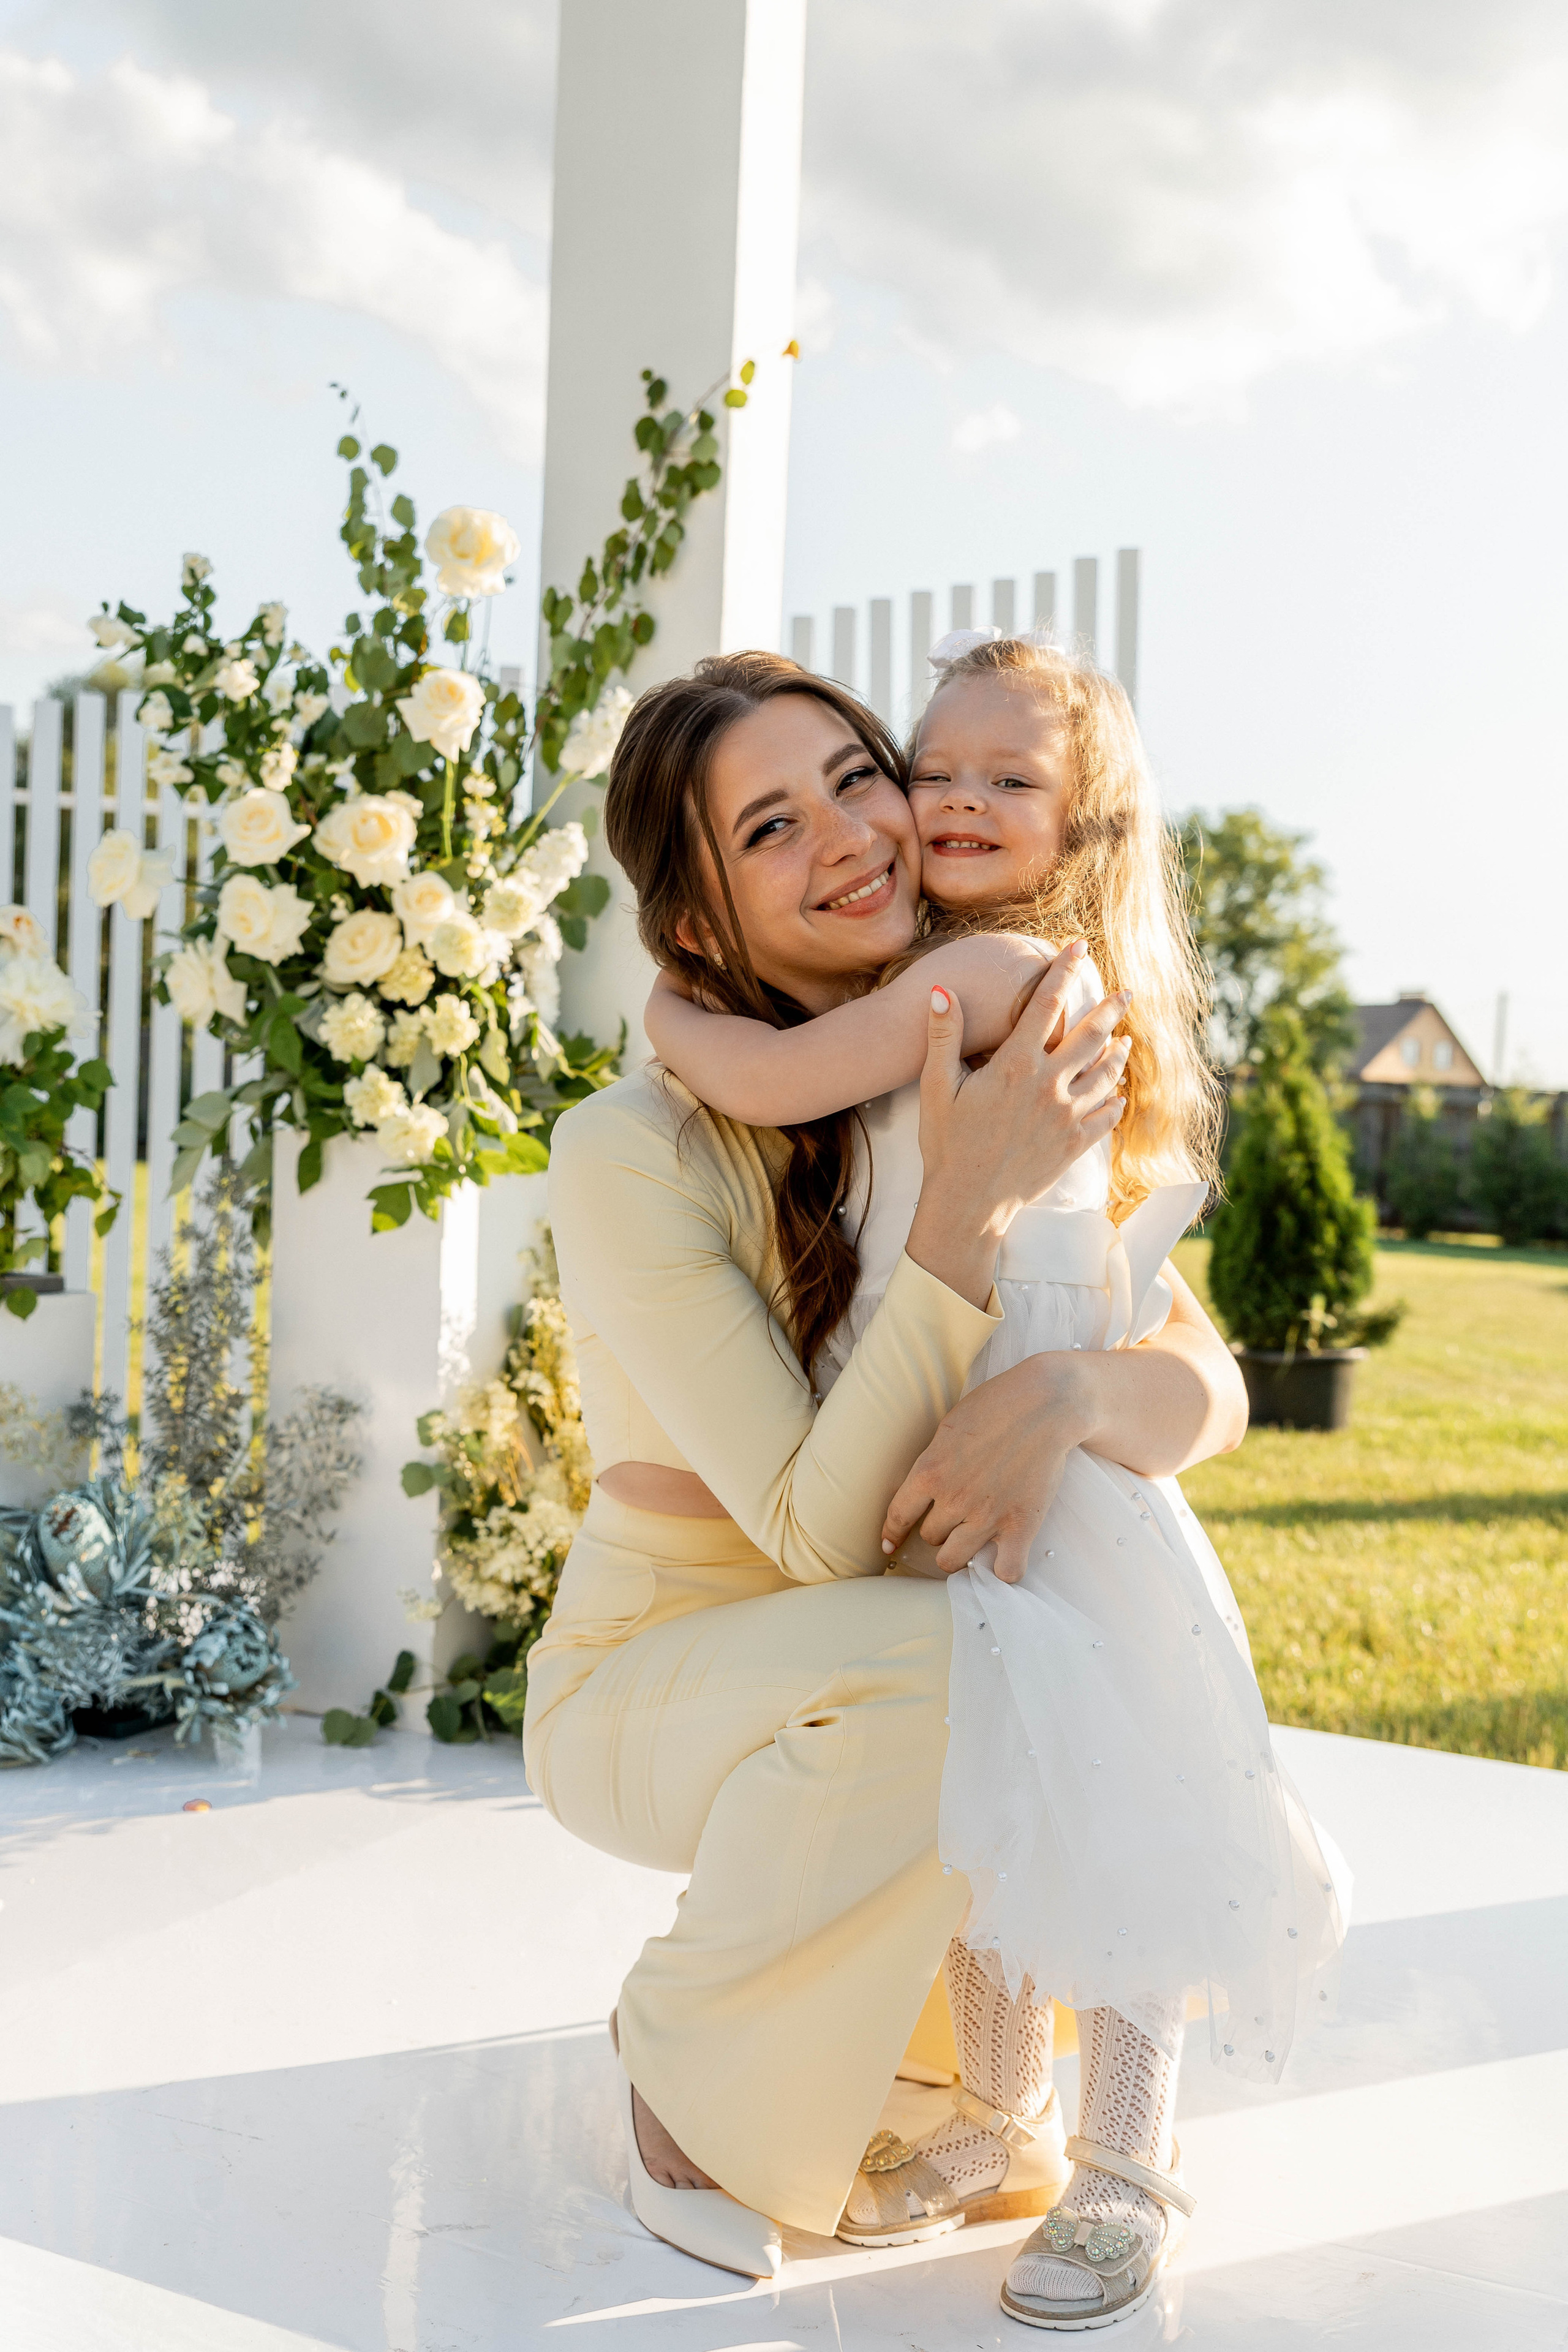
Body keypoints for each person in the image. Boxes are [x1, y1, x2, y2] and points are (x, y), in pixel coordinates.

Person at [524, 652, 1247, 2313]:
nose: (859, 833)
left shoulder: (971, 1031)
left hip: (887, 1629)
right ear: (694, 915)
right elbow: (807, 1531)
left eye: (859, 778)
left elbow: (1198, 1379)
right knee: (978, 1660)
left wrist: (1065, 1392)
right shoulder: (637, 1147)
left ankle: (1068, 2134)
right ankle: (690, 2074)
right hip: (669, 1669)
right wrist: (962, 1217)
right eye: (773, 824)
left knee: (1049, 1695)